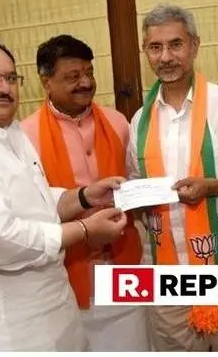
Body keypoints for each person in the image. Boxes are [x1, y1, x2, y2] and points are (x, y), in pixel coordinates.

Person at [0, 39, 129, 351]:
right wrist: (85, 230)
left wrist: (85, 197)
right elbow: (1, 241)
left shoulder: (11, 131)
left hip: (54, 311)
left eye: (11, 78)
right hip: (1, 328)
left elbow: (38, 201)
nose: (4, 87)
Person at [127, 4, 218, 351]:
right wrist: (129, 194)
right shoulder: (139, 121)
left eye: (175, 44)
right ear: (145, 51)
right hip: (164, 272)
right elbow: (138, 192)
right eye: (155, 47)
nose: (165, 57)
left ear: (194, 45)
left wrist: (211, 187)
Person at [21, 34, 149, 351]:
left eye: (89, 73)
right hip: (67, 273)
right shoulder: (25, 135)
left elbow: (134, 182)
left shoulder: (118, 122)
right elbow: (28, 208)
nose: (85, 83)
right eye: (72, 77)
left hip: (126, 263)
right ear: (46, 82)